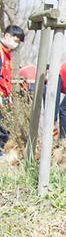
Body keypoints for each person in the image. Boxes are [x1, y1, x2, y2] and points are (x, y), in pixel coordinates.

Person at [0, 25, 26, 155]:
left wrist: (8, 95)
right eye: (15, 40)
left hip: (4, 94)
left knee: (4, 127)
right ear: (7, 36)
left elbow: (5, 77)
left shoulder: (6, 54)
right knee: (2, 129)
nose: (16, 44)